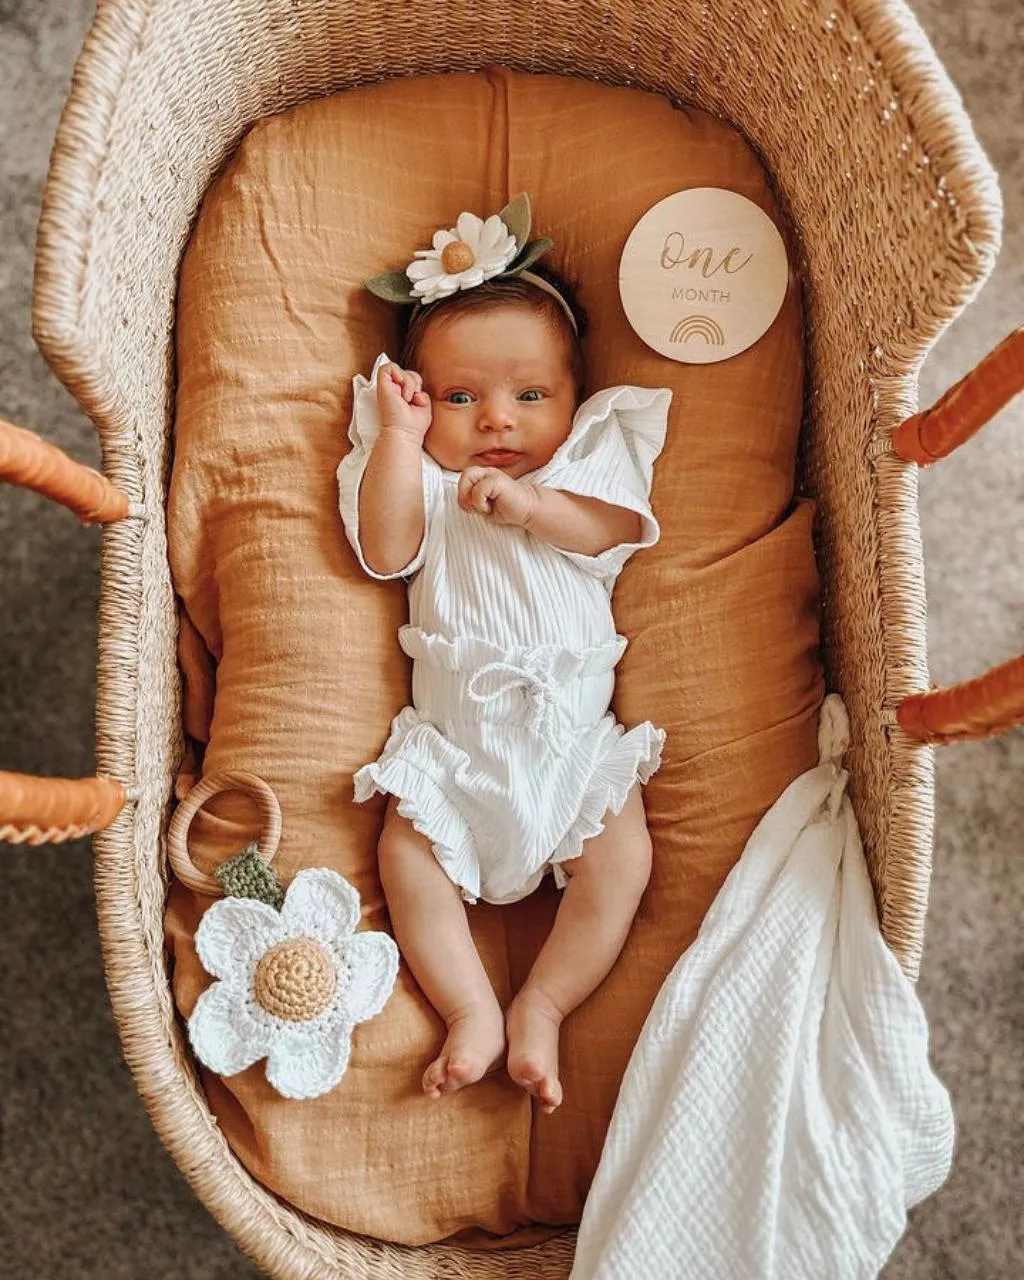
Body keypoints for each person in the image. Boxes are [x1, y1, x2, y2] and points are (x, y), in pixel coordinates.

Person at [338, 195, 671, 1114]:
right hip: (454, 747)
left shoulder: (582, 469)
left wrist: (535, 509)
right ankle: (470, 1008)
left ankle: (545, 1004)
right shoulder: (426, 483)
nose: (498, 421)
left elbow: (613, 530)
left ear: (575, 396)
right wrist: (402, 443)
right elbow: (386, 549)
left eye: (531, 395)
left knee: (622, 861)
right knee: (408, 856)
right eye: (459, 397)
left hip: (570, 741)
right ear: (420, 395)